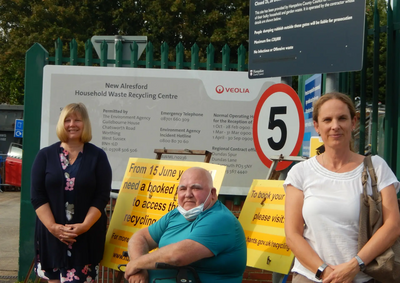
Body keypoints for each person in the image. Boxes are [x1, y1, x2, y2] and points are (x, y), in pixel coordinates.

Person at [284, 92, 400, 283]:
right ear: (317, 126)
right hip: (310, 276)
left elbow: (392, 226)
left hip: (364, 277)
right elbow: (292, 235)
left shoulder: (377, 167)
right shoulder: (300, 173)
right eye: (327, 120)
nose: (335, 126)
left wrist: (355, 266)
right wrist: (325, 273)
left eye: (342, 118)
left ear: (353, 122)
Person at [31, 102, 112, 283]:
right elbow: (37, 196)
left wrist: (84, 226)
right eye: (67, 120)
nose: (72, 124)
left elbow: (101, 196)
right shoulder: (45, 156)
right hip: (52, 237)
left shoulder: (98, 157)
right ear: (61, 123)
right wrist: (53, 227)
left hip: (84, 237)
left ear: (85, 124)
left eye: (77, 120)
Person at [124, 167, 247, 283]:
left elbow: (178, 256)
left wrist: (135, 264)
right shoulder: (175, 214)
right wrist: (139, 270)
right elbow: (141, 237)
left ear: (213, 193)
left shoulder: (220, 219)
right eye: (182, 189)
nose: (188, 194)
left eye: (196, 188)